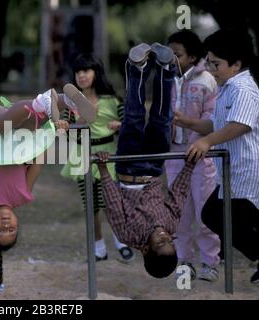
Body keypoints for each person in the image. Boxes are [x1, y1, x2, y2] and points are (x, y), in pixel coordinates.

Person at [0, 85, 93, 299]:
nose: (6, 226)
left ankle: (42, 103)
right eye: (11, 231)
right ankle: (64, 101)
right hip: (21, 137)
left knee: (6, 123)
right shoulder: (23, 194)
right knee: (36, 124)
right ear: (18, 225)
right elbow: (37, 161)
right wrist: (55, 132)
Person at [96, 42, 196, 278]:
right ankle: (165, 69)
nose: (164, 237)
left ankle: (137, 68)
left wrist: (103, 170)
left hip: (128, 168)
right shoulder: (169, 225)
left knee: (134, 116)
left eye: (160, 244)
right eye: (170, 241)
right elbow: (178, 194)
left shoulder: (127, 234)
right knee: (162, 118)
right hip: (152, 166)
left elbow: (113, 203)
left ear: (145, 249)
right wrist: (190, 164)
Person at [174, 29, 259, 284]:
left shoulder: (244, 88)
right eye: (208, 62)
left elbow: (240, 124)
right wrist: (188, 123)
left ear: (236, 64)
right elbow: (216, 124)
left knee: (219, 215)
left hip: (247, 172)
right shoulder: (226, 87)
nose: (211, 69)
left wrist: (206, 142)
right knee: (213, 214)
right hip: (231, 174)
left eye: (216, 64)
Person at [60, 53, 134, 263]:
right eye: (78, 72)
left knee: (111, 201)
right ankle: (98, 247)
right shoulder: (70, 103)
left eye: (86, 71)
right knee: (90, 205)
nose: (82, 75)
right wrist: (79, 119)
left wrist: (120, 126)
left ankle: (121, 240)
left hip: (108, 155)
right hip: (81, 155)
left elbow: (130, 126)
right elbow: (65, 132)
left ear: (96, 73)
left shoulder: (113, 100)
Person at [165, 30, 220, 282]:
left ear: (192, 56)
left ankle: (210, 262)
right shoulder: (166, 78)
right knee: (179, 212)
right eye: (169, 54)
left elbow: (213, 122)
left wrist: (185, 122)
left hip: (201, 155)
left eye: (177, 54)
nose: (172, 59)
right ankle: (184, 260)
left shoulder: (207, 80)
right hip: (173, 155)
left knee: (205, 212)